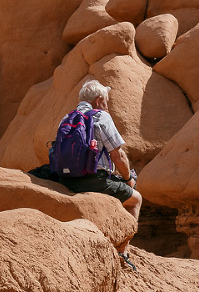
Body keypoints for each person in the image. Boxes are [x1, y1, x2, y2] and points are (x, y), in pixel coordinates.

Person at [58, 79, 142, 271]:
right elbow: (118, 155)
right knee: (135, 199)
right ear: (98, 100)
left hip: (66, 178)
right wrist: (129, 179)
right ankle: (122, 251)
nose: (107, 104)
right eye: (106, 100)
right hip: (93, 180)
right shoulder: (101, 117)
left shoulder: (67, 117)